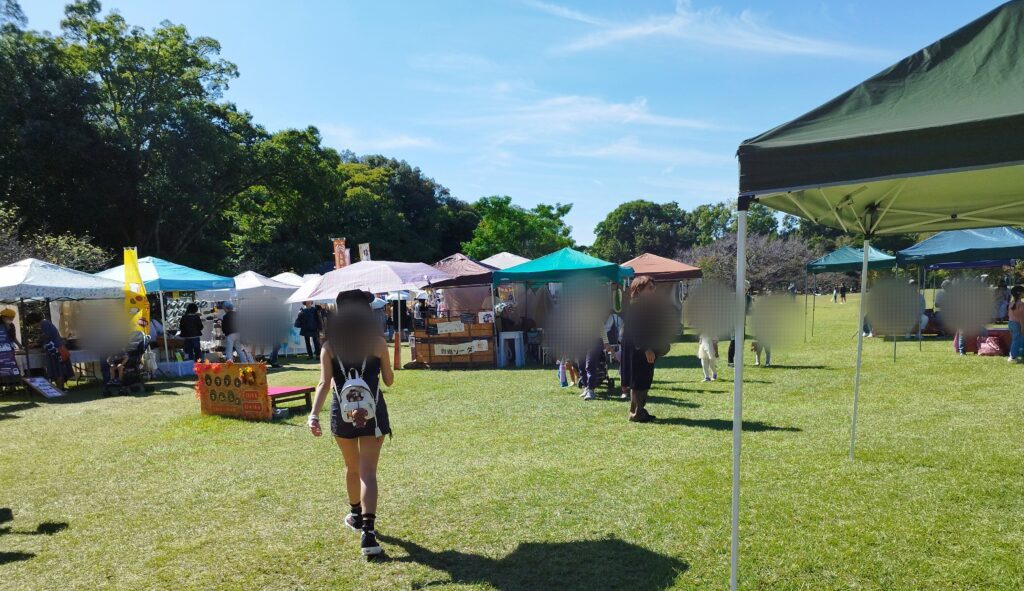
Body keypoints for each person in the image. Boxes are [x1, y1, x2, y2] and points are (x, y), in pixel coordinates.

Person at [308, 289, 395, 558]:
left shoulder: (329, 346)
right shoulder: (377, 343)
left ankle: (355, 515)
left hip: (341, 411)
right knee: (368, 471)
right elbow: (389, 381)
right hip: (373, 413)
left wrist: (313, 415)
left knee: (351, 468)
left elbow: (324, 383)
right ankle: (368, 532)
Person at [621, 276, 671, 423]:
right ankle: (636, 412)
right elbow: (636, 330)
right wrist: (646, 348)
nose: (653, 290)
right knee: (639, 381)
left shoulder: (646, 304)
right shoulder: (636, 305)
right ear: (639, 289)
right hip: (638, 350)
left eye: (653, 287)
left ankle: (640, 410)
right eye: (649, 287)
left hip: (645, 349)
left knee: (644, 379)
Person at [25, 312, 72, 389]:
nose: (33, 327)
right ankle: (59, 388)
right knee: (56, 370)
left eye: (31, 324)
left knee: (57, 370)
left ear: (33, 321)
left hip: (54, 350)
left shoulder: (44, 324)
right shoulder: (46, 323)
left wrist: (36, 343)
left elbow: (47, 336)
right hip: (55, 349)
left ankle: (60, 388)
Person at [1008, 285, 1024, 362]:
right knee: (1016, 340)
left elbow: (1009, 315)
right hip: (1017, 324)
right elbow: (1021, 317)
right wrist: (1022, 327)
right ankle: (1013, 357)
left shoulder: (1011, 303)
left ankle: (1015, 355)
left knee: (1015, 340)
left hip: (1010, 323)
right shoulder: (1021, 304)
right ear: (1020, 293)